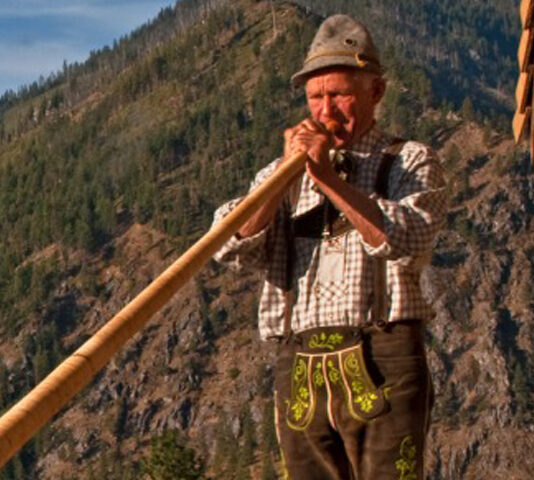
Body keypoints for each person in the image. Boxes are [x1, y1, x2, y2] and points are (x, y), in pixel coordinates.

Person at [212, 14, 447, 480]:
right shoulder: (278, 174)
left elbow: (409, 239)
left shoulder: (410, 160)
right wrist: (286, 175)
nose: (326, 112)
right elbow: (228, 246)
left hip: (384, 355)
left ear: (375, 92)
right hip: (299, 363)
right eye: (315, 98)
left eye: (339, 95)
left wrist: (326, 179)